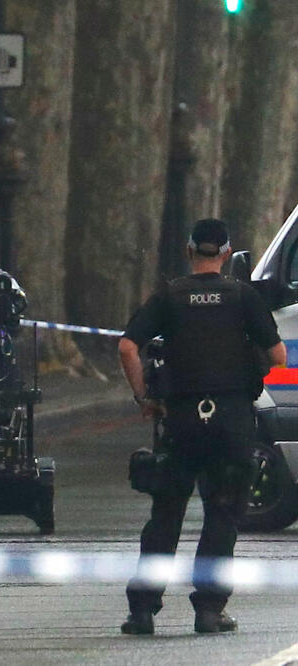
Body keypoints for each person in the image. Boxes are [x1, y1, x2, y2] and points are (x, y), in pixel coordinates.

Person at [118, 218, 287, 635]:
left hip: (182, 422)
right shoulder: (243, 297)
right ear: (227, 254)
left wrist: (146, 398)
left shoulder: (169, 297)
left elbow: (126, 346)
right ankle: (209, 610)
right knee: (222, 515)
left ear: (189, 252)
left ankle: (142, 610)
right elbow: (279, 356)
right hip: (230, 421)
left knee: (166, 514)